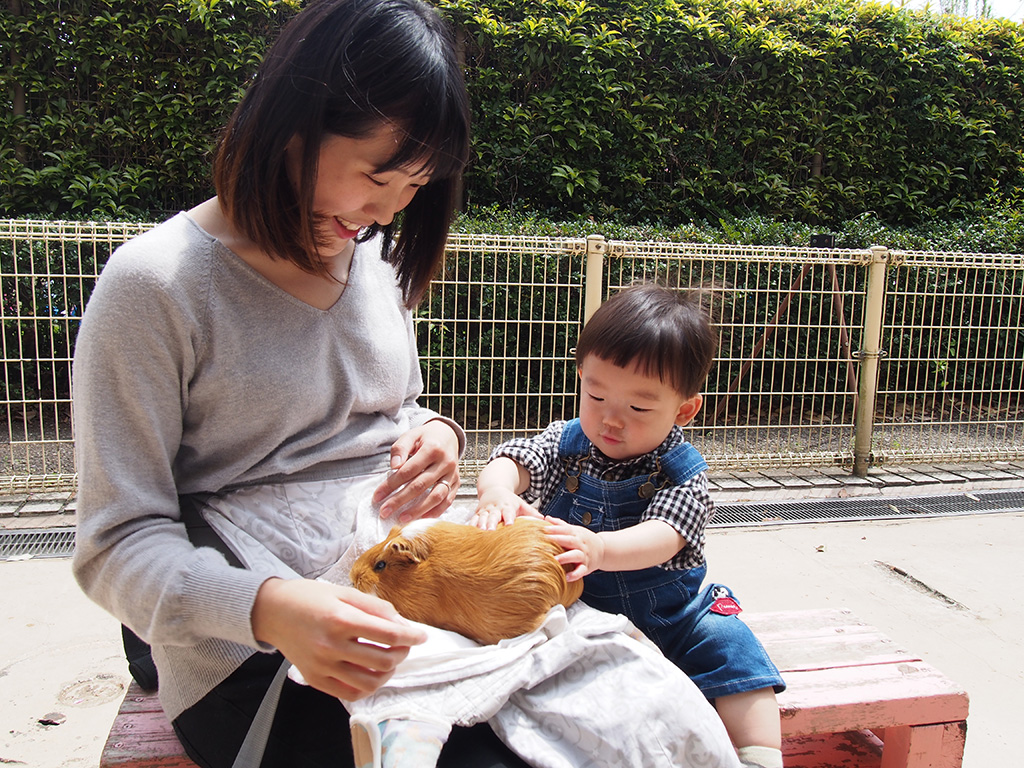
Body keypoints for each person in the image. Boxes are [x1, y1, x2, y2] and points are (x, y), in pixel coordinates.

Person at [70, 0, 526, 765]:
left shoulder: (372, 257)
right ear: (292, 124)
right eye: (378, 176)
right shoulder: (155, 285)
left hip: (402, 587)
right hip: (249, 652)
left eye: (415, 185)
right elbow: (114, 542)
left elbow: (387, 409)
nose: (388, 210)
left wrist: (439, 435)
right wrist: (270, 610)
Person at [473, 283, 787, 768]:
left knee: (733, 645)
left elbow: (666, 535)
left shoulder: (681, 471)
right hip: (583, 617)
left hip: (672, 619)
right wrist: (497, 489)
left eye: (639, 408)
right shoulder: (568, 444)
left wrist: (600, 549)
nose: (610, 420)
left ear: (684, 409)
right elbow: (515, 458)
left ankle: (759, 755)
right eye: (596, 395)